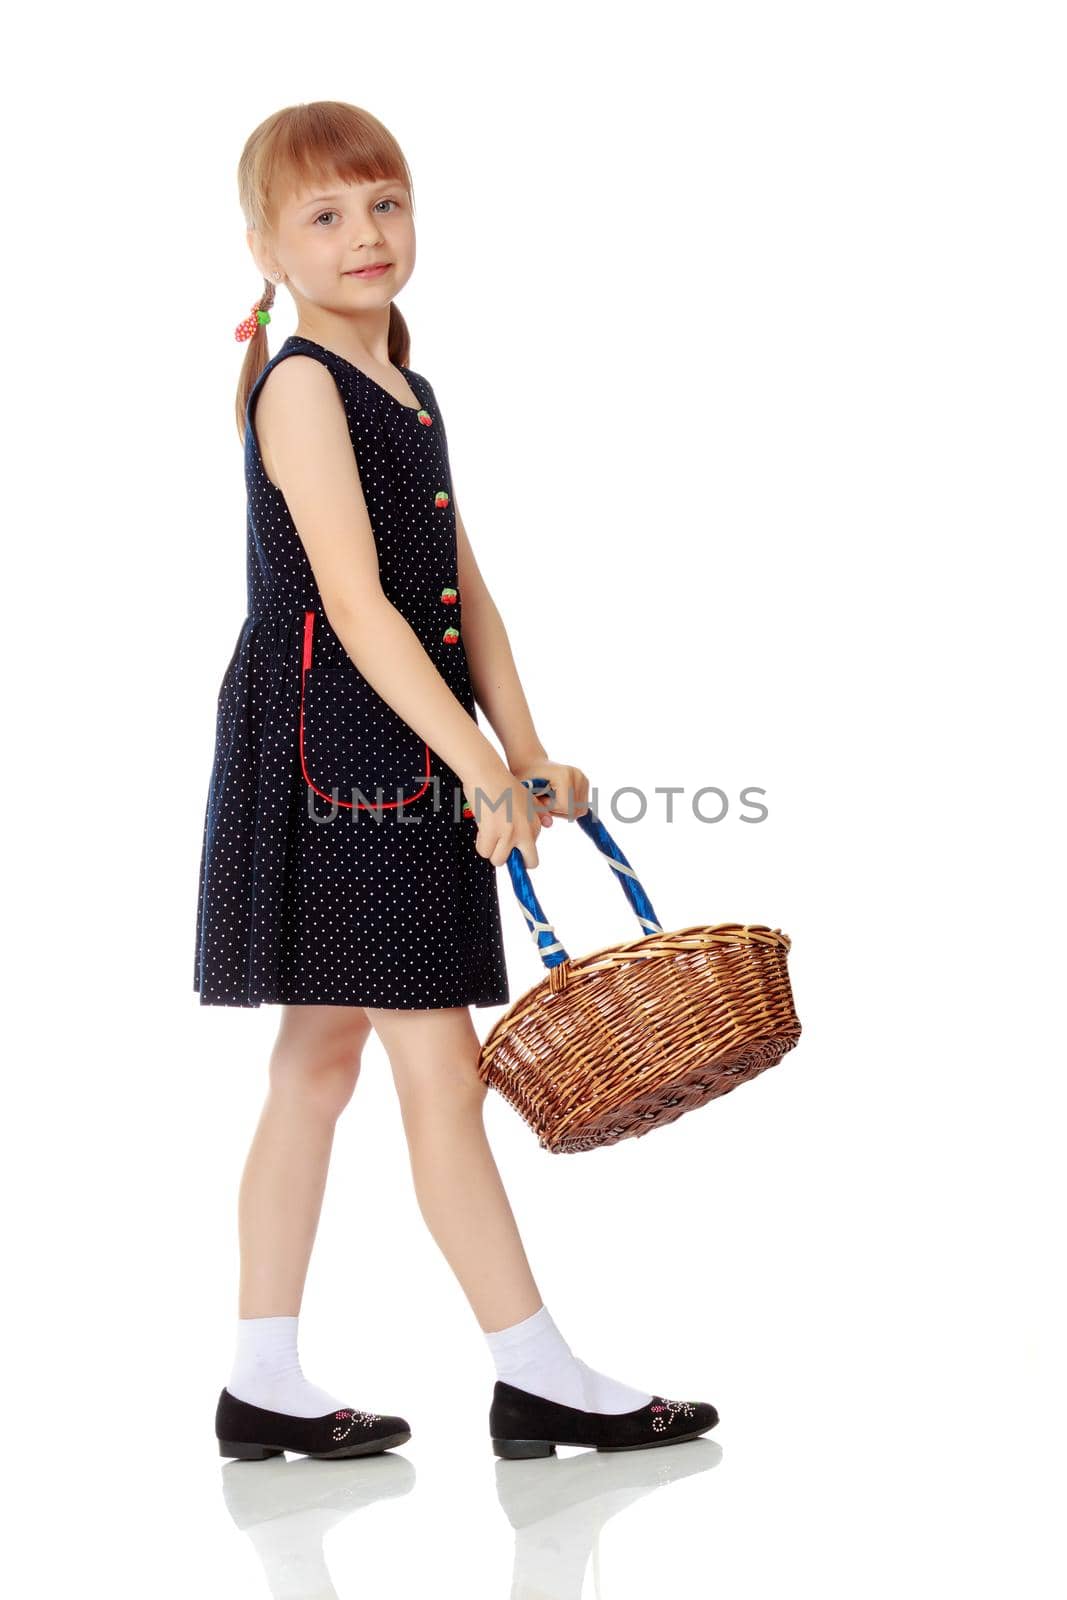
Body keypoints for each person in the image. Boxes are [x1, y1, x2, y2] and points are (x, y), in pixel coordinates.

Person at [197, 99, 718, 1462]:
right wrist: (479, 769)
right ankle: (536, 1372)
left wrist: (531, 749)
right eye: (325, 215)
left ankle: (262, 1384)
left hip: (387, 734)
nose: (364, 235)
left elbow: (460, 592)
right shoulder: (301, 381)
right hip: (349, 748)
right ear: (266, 244)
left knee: (318, 1058)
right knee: (436, 1070)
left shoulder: (408, 387)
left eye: (384, 204)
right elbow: (362, 610)